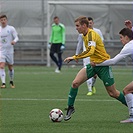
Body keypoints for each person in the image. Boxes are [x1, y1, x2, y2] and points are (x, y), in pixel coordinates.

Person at [63, 16, 127, 121]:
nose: (76, 28)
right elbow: (90, 52)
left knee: (113, 93)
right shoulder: (84, 35)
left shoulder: (92, 34)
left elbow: (91, 51)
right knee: (75, 83)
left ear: (84, 25)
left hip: (103, 65)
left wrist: (75, 57)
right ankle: (70, 107)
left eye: (77, 26)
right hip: (93, 65)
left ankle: (131, 107)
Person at [91, 28, 133, 123]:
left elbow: (113, 61)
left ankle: (132, 116)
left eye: (121, 37)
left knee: (127, 90)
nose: (120, 40)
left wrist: (97, 64)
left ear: (127, 37)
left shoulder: (128, 47)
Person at [75, 17, 104, 96]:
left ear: (93, 23)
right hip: (86, 55)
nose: (90, 24)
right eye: (89, 23)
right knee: (87, 72)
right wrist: (77, 54)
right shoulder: (82, 34)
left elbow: (101, 41)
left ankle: (92, 85)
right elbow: (79, 44)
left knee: (95, 74)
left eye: (91, 22)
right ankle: (89, 90)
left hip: (96, 56)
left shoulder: (97, 31)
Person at [0, 14, 19, 88]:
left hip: (10, 51)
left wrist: (14, 41)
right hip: (2, 51)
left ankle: (11, 81)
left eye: (4, 20)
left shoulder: (11, 28)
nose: (3, 21)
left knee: (10, 67)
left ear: (6, 20)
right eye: (1, 20)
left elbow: (17, 37)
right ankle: (3, 83)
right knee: (1, 66)